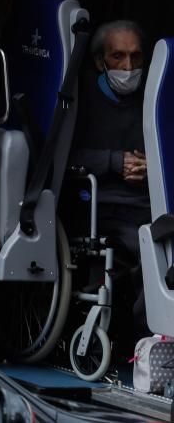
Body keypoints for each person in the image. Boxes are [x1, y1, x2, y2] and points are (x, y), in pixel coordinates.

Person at [69, 19, 150, 347]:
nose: (128, 67)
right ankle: (149, 343)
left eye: (135, 57)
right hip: (99, 207)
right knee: (151, 251)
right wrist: (116, 162)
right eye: (118, 57)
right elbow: (64, 155)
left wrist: (151, 165)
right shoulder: (80, 98)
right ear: (100, 61)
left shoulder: (153, 99)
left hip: (146, 206)